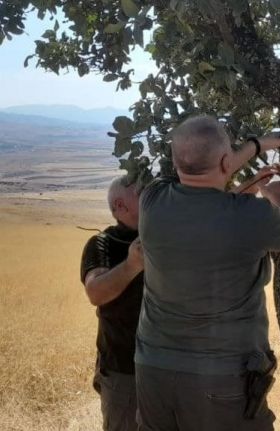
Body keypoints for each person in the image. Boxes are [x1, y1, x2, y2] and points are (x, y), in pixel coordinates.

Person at [135, 115, 280, 431]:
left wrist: (256, 148)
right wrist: (276, 195)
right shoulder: (252, 215)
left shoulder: (152, 201)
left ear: (176, 162)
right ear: (226, 160)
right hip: (221, 376)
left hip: (153, 369)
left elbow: (206, 198)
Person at [80, 176, 144, 431]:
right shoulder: (102, 244)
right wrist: (132, 265)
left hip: (170, 364)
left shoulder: (164, 236)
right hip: (124, 369)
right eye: (142, 192)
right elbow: (95, 292)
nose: (152, 196)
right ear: (120, 205)